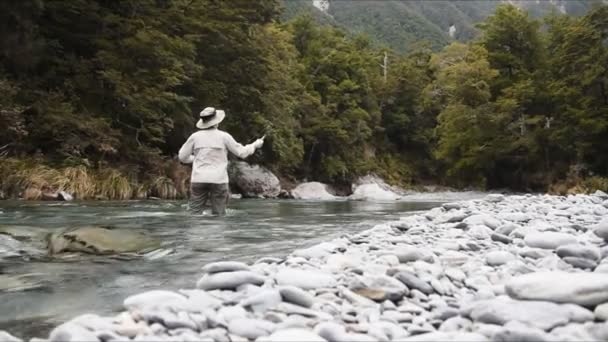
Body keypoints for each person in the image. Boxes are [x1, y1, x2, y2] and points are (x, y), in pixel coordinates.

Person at [178, 107, 264, 215]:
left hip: (198, 179)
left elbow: (182, 157)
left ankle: (195, 231)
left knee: (194, 213)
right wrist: (255, 145)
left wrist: (195, 159)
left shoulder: (194, 137)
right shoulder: (224, 137)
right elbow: (242, 153)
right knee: (218, 215)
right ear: (217, 122)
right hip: (219, 180)